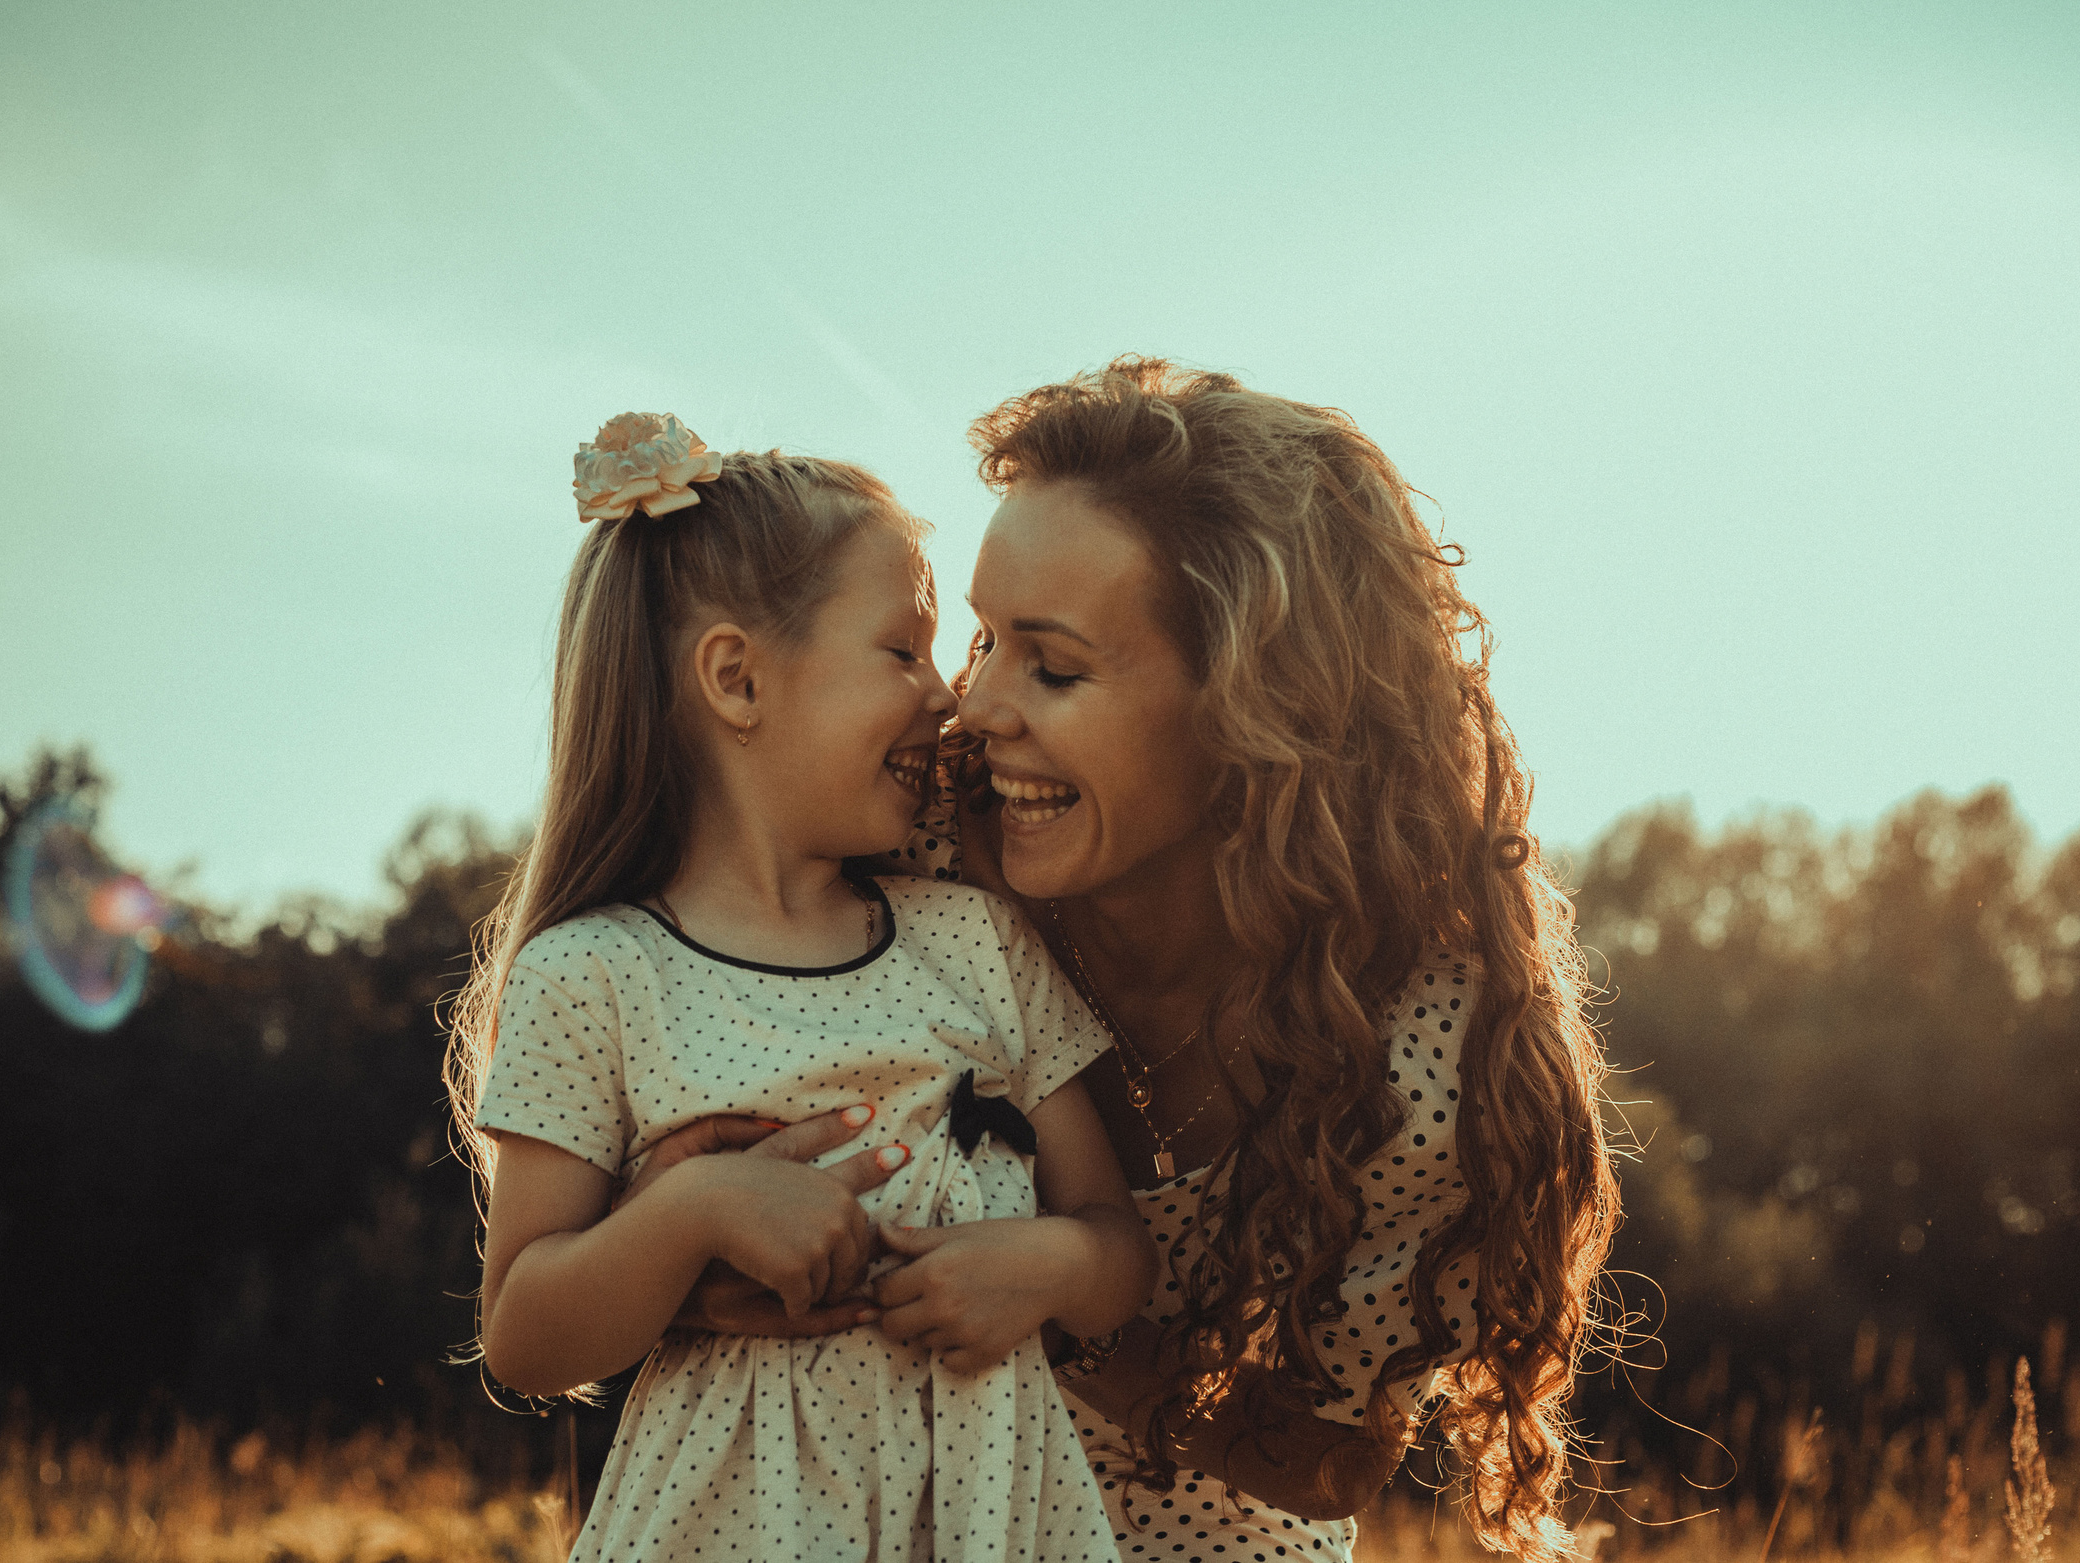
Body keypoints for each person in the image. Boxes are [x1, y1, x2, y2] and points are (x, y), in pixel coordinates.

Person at [644, 361, 1620, 1562]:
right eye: (983, 639)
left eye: (1051, 667)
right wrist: (679, 1249)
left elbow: (1329, 1463)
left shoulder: (1423, 1047)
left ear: (1258, 710)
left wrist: (1064, 1305)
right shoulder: (913, 870)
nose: (973, 706)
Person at [443, 415, 1155, 1561]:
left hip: (988, 1525)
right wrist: (691, 1210)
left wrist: (1052, 1265)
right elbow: (524, 1335)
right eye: (902, 651)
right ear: (736, 678)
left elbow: (1118, 1247)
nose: (947, 698)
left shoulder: (976, 943)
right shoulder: (593, 974)